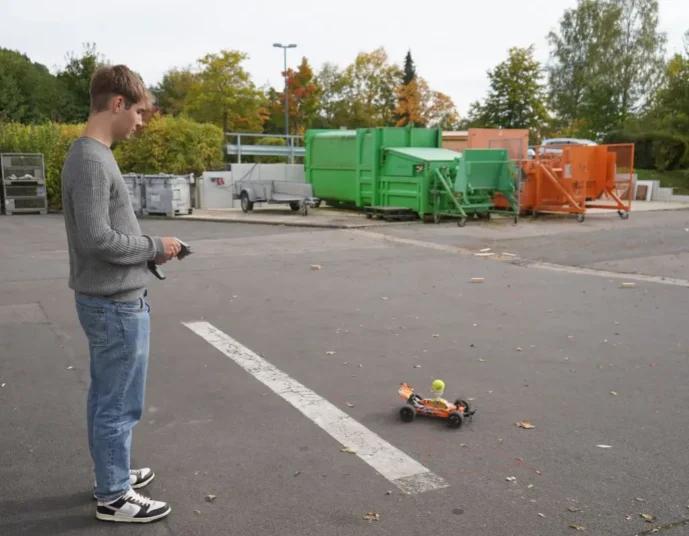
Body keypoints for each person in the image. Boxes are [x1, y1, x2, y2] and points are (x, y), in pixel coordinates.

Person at [61, 64, 181, 523]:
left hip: (112, 299)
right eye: (139, 112)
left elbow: (104, 235)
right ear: (117, 104)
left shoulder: (92, 155)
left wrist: (148, 255)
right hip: (114, 306)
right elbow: (97, 239)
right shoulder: (92, 159)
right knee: (118, 402)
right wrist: (155, 246)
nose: (141, 122)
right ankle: (113, 495)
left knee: (108, 397)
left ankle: (114, 473)